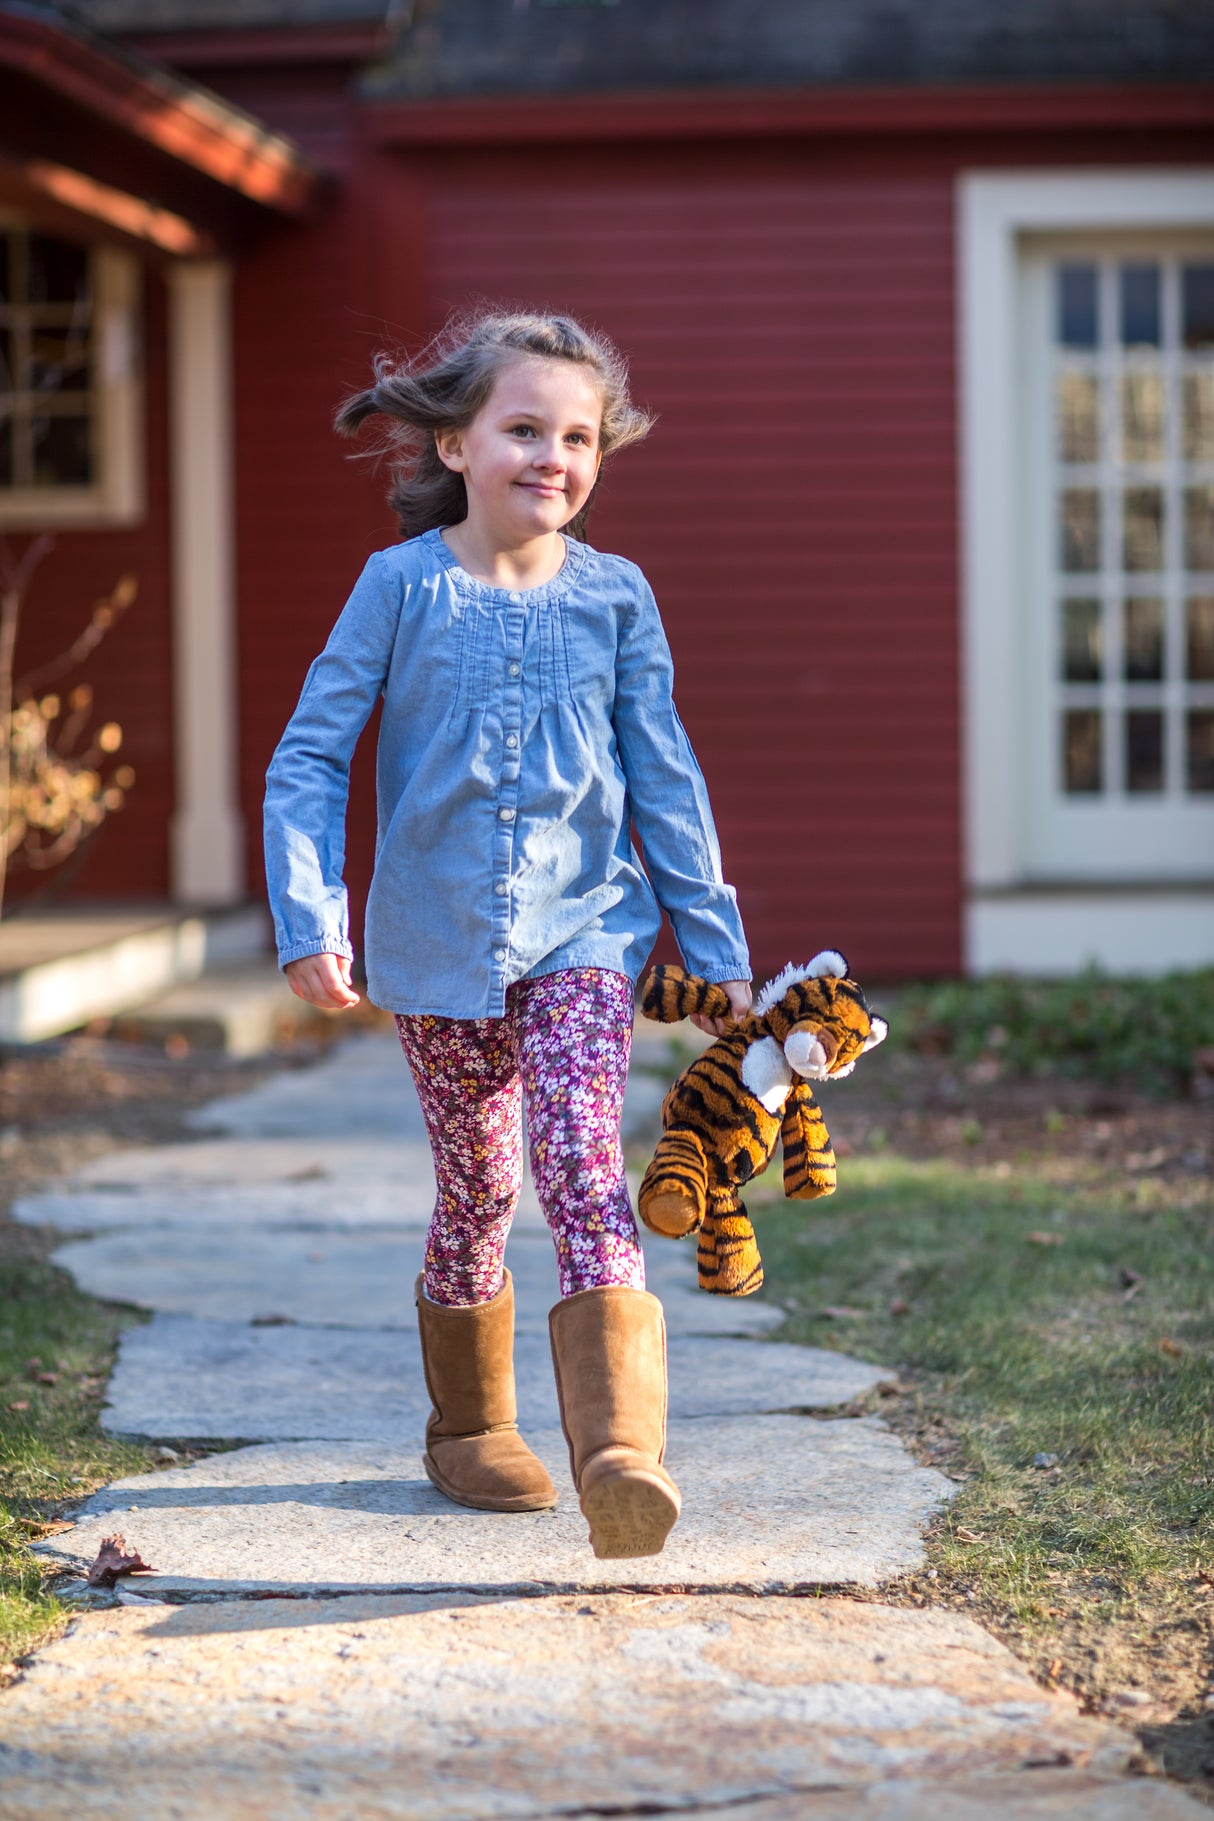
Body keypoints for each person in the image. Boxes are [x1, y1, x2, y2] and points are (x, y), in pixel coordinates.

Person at [263, 310, 751, 1560]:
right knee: (478, 1187)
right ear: (453, 442)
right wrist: (312, 919)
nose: (554, 456)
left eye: (578, 436)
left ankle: (619, 1456)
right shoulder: (399, 587)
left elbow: (665, 769)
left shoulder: (617, 597)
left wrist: (710, 940)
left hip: (588, 926)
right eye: (524, 428)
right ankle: (470, 1428)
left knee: (585, 1165)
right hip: (433, 944)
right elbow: (311, 757)